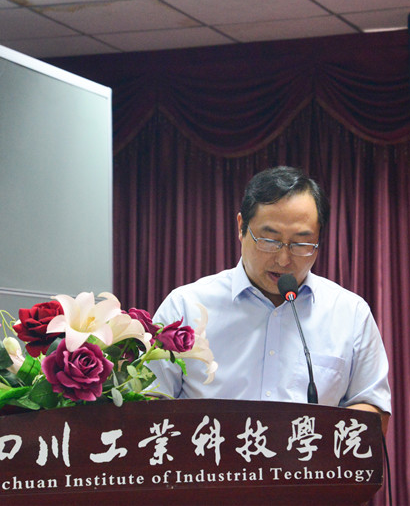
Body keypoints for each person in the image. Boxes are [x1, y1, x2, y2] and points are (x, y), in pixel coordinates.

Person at [150, 166, 391, 434]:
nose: (284, 259)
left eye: (301, 244)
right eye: (269, 240)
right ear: (241, 227)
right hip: (209, 458)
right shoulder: (185, 307)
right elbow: (149, 402)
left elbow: (373, 408)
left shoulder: (350, 313)